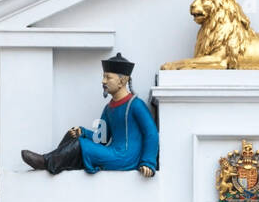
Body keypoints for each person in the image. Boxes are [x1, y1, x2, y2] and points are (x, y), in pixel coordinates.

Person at [21, 52, 158, 176]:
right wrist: (83, 132)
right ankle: (54, 163)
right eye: (103, 77)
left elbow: (151, 134)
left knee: (82, 144)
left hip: (125, 157)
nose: (103, 81)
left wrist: (148, 162)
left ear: (122, 81)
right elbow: (102, 139)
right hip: (113, 152)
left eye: (108, 77)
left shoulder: (135, 104)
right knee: (73, 134)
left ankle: (46, 162)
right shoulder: (109, 108)